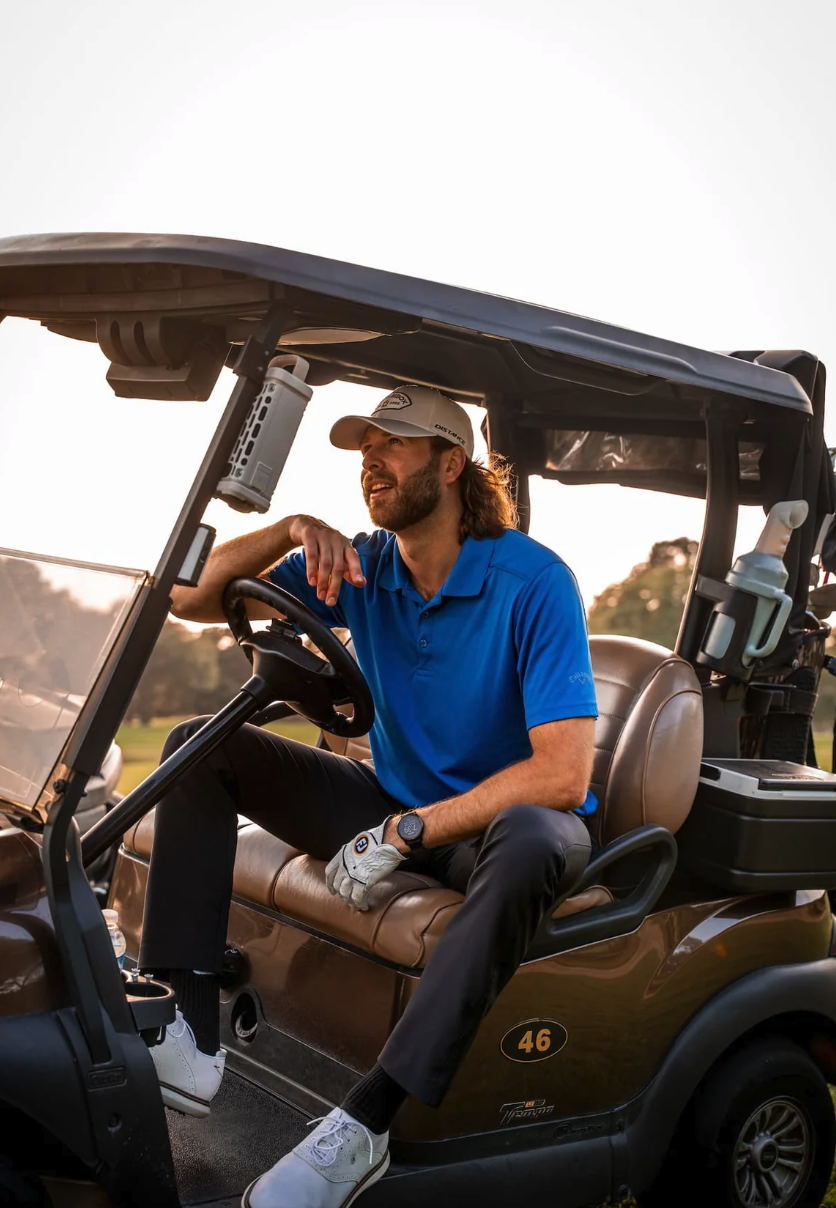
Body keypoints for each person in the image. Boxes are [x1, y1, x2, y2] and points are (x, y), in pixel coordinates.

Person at [139, 384, 598, 1208]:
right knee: (198, 748)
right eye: (362, 449)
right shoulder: (361, 565)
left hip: (501, 830)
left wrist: (407, 831)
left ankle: (365, 1126)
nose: (370, 462)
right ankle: (191, 1032)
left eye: (393, 445)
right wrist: (286, 530)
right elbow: (189, 600)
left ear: (451, 465)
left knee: (536, 837)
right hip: (393, 804)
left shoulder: (534, 582)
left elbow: (563, 774)